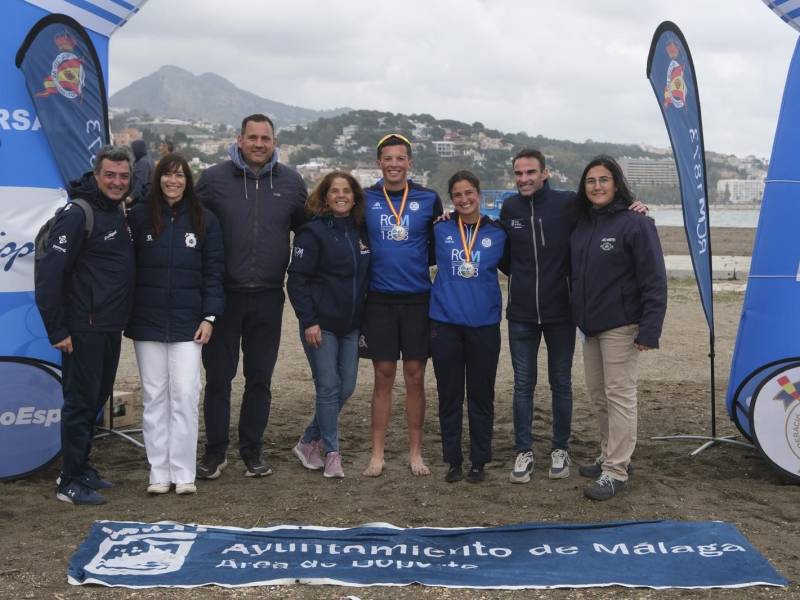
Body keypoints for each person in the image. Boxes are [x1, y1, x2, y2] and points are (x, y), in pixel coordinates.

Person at [501, 149, 647, 484]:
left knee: (561, 383)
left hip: (561, 312)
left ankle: (560, 448)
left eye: (530, 172)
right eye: (519, 173)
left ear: (545, 173)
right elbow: (504, 256)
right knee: (523, 385)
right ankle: (523, 450)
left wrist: (634, 207)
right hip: (521, 313)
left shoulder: (567, 203)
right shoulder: (510, 208)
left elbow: (605, 213)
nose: (524, 178)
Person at [195, 113, 307, 479]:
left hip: (269, 296)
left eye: (265, 138)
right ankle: (215, 451)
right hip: (223, 296)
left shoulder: (291, 182)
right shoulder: (213, 180)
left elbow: (309, 233)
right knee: (219, 378)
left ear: (275, 143)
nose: (259, 144)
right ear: (239, 140)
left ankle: (252, 449)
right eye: (253, 137)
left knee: (260, 378)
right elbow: (191, 227)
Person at [35, 145, 136, 505]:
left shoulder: (117, 210)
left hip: (109, 326)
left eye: (123, 176)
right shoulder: (79, 214)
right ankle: (69, 480)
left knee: (96, 398)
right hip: (83, 328)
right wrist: (58, 330)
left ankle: (82, 467)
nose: (117, 182)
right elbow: (49, 275)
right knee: (79, 403)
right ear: (96, 175)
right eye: (110, 175)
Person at [125, 153, 225, 495]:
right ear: (158, 179)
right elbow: (126, 270)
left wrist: (209, 317)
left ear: (188, 180)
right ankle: (159, 472)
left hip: (189, 324)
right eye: (167, 175)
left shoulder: (205, 219)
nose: (173, 181)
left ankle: (184, 473)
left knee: (184, 394)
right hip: (147, 322)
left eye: (180, 175)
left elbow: (214, 272)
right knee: (154, 397)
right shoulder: (138, 217)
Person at [570, 156, 667, 501]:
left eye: (604, 179)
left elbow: (654, 280)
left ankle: (616, 471)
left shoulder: (636, 223)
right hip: (590, 326)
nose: (597, 186)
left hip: (622, 326)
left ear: (617, 183)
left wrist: (650, 330)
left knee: (620, 396)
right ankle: (611, 453)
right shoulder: (582, 223)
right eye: (590, 181)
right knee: (599, 396)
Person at [360, 134, 443, 477]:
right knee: (383, 376)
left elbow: (438, 245)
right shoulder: (365, 198)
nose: (394, 164)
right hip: (378, 300)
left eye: (400, 158)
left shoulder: (428, 198)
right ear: (379, 162)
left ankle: (415, 453)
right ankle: (377, 453)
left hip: (417, 299)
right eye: (388, 158)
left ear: (410, 162)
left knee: (414, 375)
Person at [287, 171, 370, 479]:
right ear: (324, 196)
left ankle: (308, 441)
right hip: (320, 325)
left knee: (346, 387)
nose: (341, 195)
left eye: (347, 190)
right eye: (334, 191)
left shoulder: (361, 231)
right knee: (328, 386)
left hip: (350, 325)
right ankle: (332, 453)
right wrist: (308, 321)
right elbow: (296, 280)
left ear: (355, 197)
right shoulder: (312, 232)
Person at [430, 171, 507, 484]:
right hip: (445, 323)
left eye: (469, 193)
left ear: (479, 194)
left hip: (484, 324)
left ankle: (479, 460)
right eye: (457, 195)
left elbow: (521, 264)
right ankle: (453, 460)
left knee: (481, 395)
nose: (464, 199)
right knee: (449, 395)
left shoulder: (498, 232)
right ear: (451, 199)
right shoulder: (440, 228)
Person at [127, 139, 154, 207]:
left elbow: (140, 182)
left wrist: (131, 197)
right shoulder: (148, 158)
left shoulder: (143, 162)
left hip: (140, 198)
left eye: (133, 149)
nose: (132, 152)